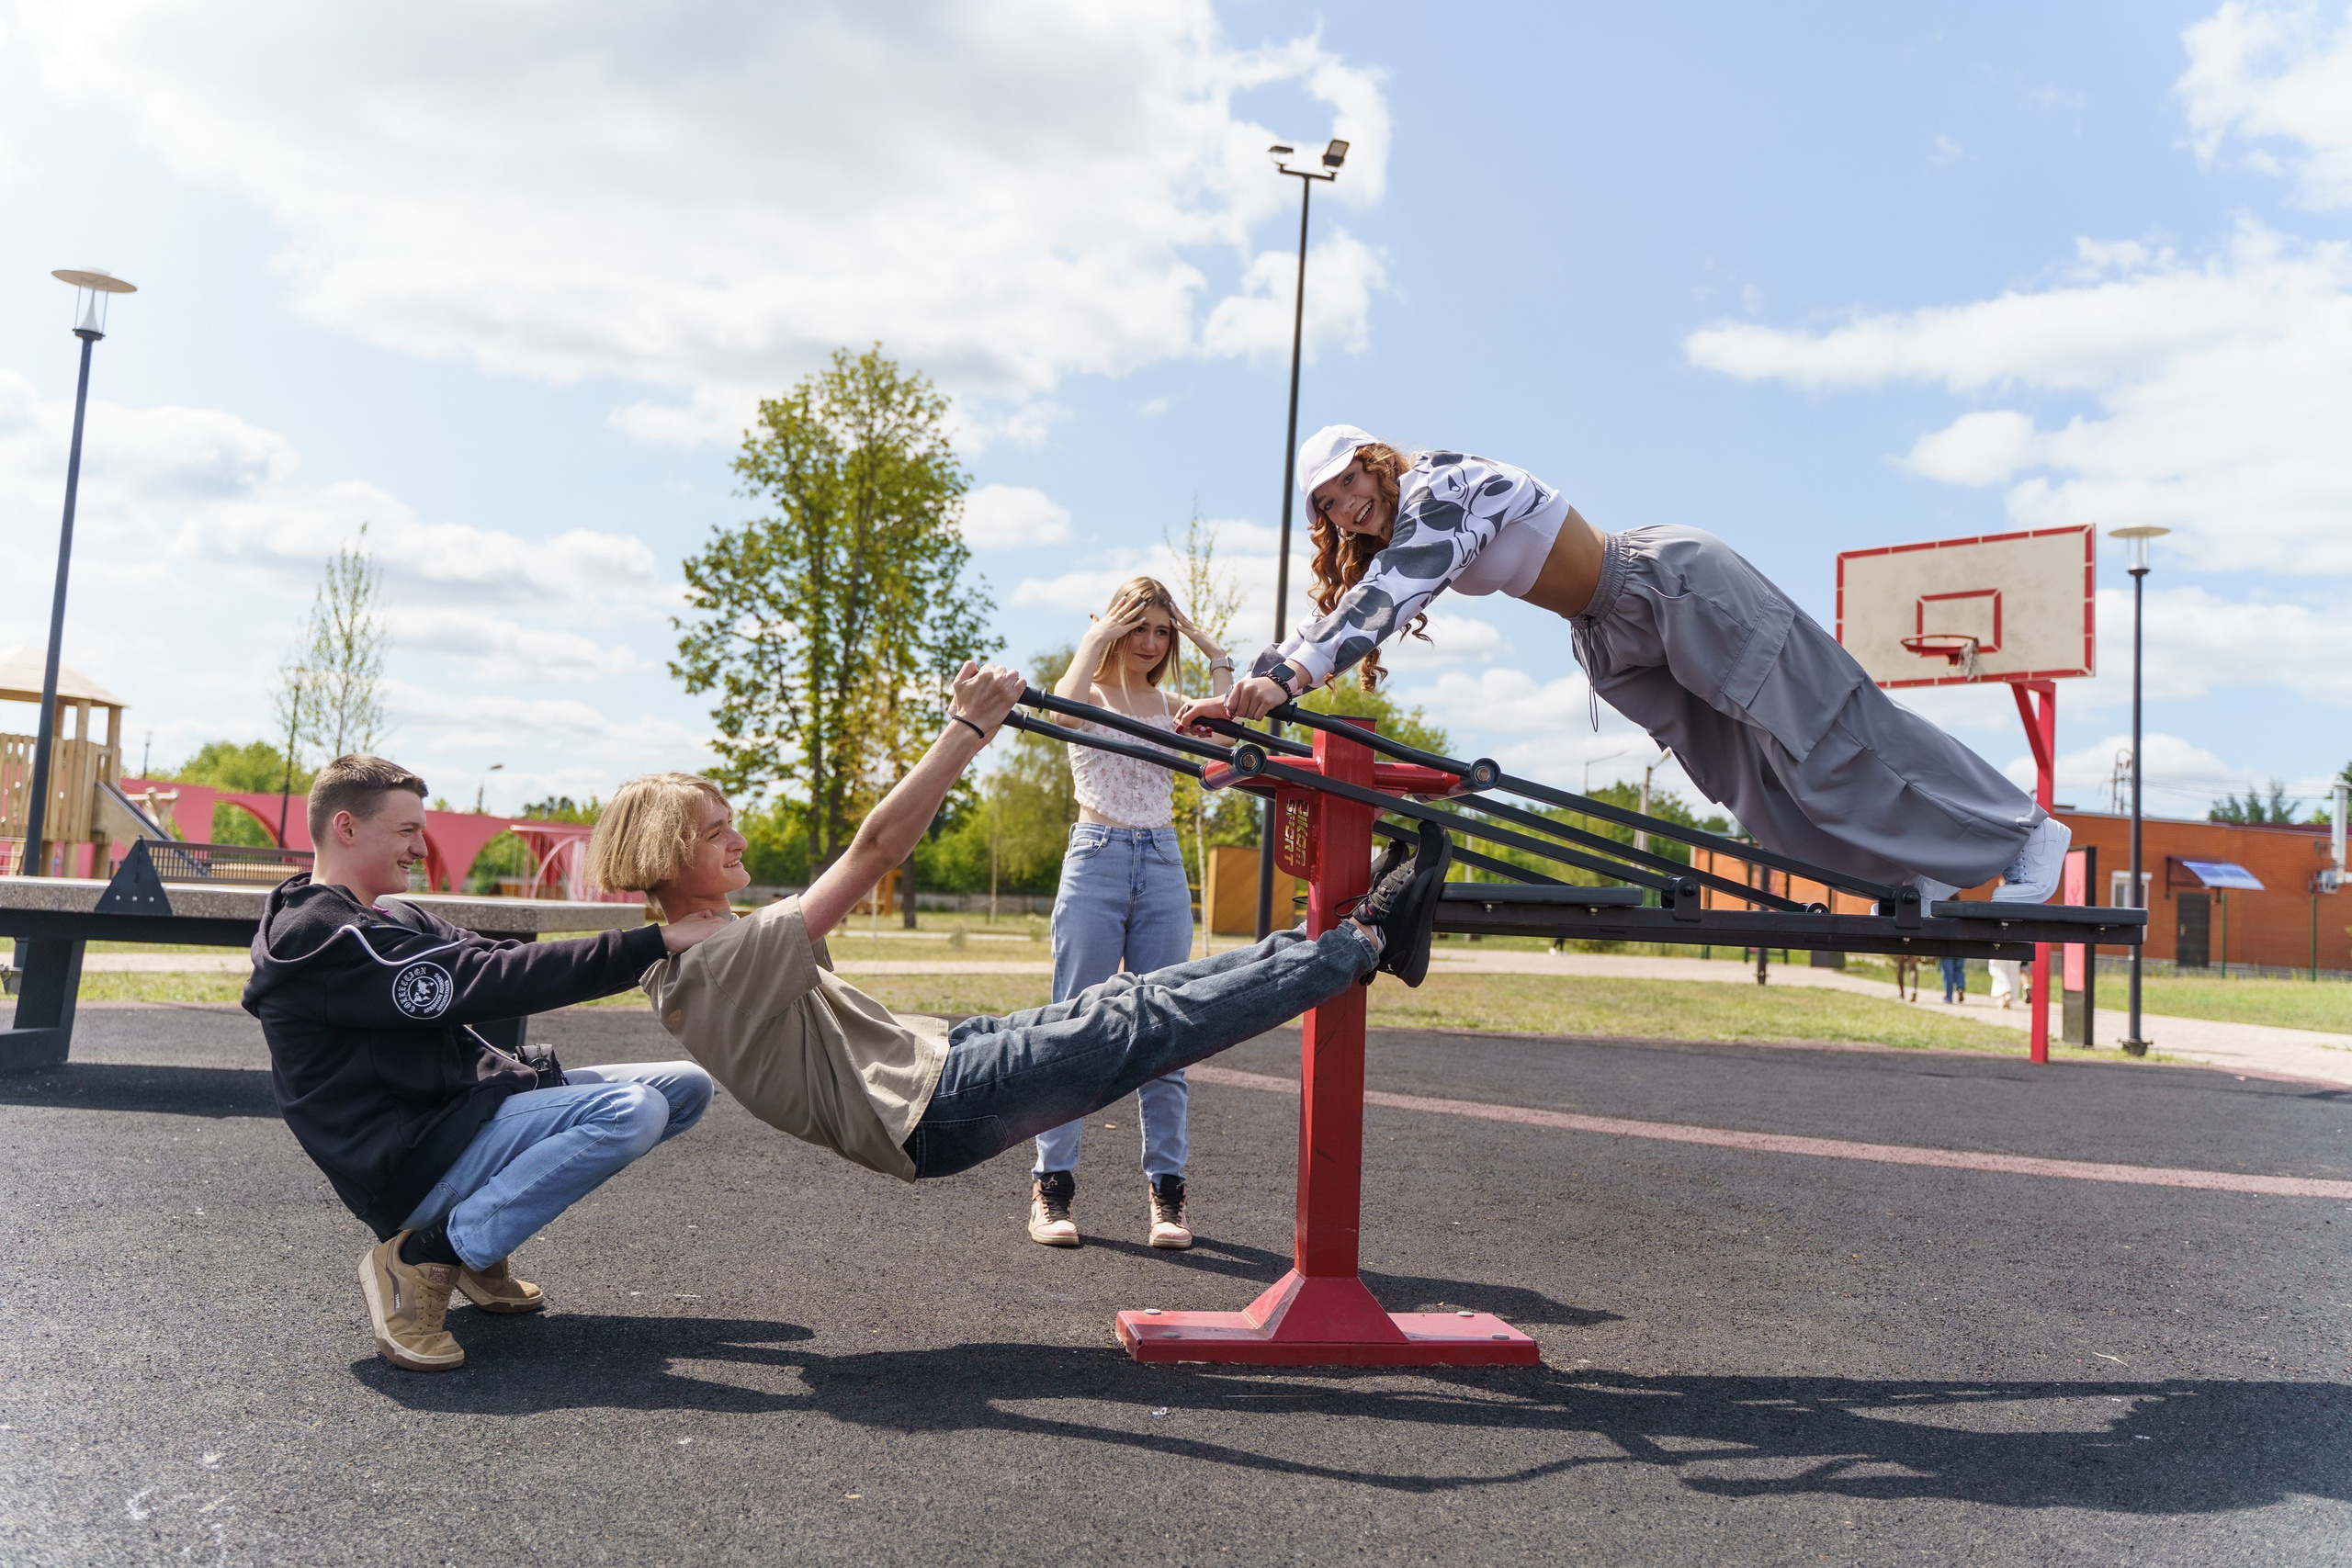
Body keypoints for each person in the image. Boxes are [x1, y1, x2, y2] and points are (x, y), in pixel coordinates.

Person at [583, 661, 1453, 1202]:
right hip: (931, 1110)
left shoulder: (703, 942)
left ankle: (1336, 939)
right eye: (713, 832)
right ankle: (1364, 944)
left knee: (1131, 997)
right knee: (1139, 1028)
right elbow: (874, 849)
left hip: (943, 1060)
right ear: (665, 855)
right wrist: (966, 731)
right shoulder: (715, 963)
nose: (736, 837)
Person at [1175, 426, 2072, 908]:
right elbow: (1335, 615)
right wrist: (1248, 688)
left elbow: (1386, 600)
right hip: (1615, 640)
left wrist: (1287, 683)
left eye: (1350, 484)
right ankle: (1904, 868)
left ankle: (2023, 833)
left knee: (1829, 731)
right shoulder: (1395, 538)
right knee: (1752, 785)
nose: (1347, 507)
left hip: (1672, 588)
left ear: (1378, 462)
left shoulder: (1440, 488)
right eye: (1330, 505)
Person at [243, 755, 730, 1373]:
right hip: (412, 1166)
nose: (421, 846)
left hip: (459, 1127)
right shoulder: (324, 937)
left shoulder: (394, 917)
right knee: (632, 1110)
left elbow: (492, 959)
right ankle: (427, 1253)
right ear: (345, 827)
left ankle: (474, 1245)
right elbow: (487, 978)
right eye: (406, 831)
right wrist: (653, 942)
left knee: (685, 1087)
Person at [1029, 576, 1234, 1251]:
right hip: (1098, 856)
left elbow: (1229, 736)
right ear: (1115, 627)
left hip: (1164, 861)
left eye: (1161, 631)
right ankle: (1051, 1188)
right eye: (1137, 627)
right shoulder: (1090, 693)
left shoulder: (1174, 705)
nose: (1149, 643)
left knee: (1165, 1030)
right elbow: (1059, 712)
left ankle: (1167, 1196)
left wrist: (1210, 646)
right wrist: (1095, 635)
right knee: (1075, 1023)